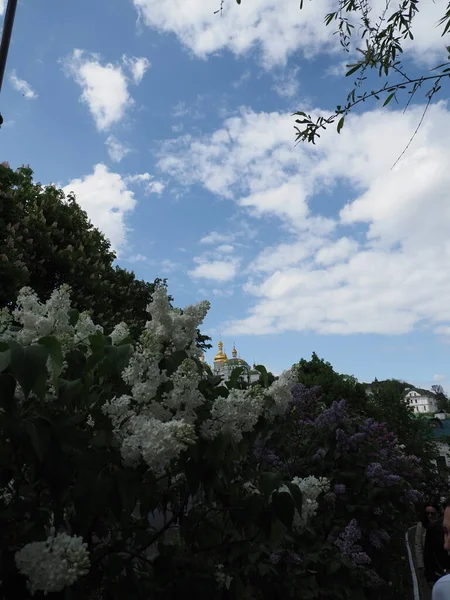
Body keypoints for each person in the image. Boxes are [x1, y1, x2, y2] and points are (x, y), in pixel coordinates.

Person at [425, 499, 450, 588]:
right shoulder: (433, 527)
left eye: (432, 513)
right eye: (446, 532)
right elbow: (428, 553)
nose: (446, 545)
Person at [416, 503, 439, 571]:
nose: (429, 516)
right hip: (428, 561)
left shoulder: (442, 525)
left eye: (432, 513)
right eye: (427, 513)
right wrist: (420, 565)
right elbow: (418, 545)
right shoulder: (421, 526)